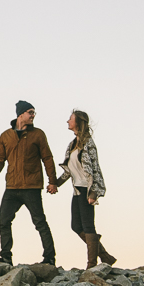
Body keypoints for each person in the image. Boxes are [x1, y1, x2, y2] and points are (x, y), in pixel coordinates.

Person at [0, 100, 58, 266]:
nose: (33, 116)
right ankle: (6, 257)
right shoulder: (5, 136)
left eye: (34, 113)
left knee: (40, 222)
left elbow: (47, 158)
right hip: (12, 187)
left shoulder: (38, 134)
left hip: (31, 187)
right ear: (20, 114)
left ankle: (49, 258)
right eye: (30, 112)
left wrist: (52, 181)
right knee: (3, 221)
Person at [53, 110, 114, 269]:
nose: (67, 121)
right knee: (76, 226)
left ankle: (92, 265)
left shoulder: (88, 143)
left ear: (78, 122)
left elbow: (95, 169)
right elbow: (68, 171)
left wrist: (93, 193)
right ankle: (105, 255)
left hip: (86, 189)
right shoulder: (72, 144)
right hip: (76, 190)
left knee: (88, 227)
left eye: (70, 119)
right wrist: (55, 183)